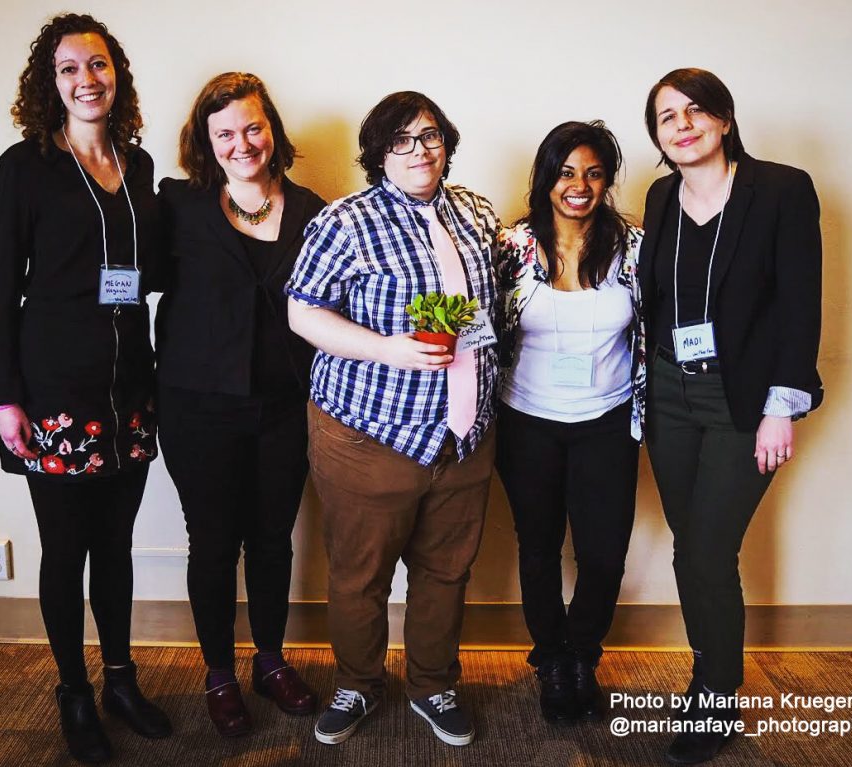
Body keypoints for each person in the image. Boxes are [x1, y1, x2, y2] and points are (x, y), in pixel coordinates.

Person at [0, 13, 171, 764]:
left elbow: (149, 275)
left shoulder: (141, 164)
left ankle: (121, 678)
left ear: (115, 73)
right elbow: (5, 290)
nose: (85, 79)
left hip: (130, 390)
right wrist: (6, 396)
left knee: (117, 547)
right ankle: (74, 691)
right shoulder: (24, 165)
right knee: (66, 551)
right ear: (50, 84)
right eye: (68, 69)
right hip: (53, 391)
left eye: (96, 64)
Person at [286, 91, 498, 748]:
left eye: (430, 135)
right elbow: (303, 311)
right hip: (370, 434)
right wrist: (388, 347)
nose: (419, 150)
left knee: (446, 571)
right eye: (401, 140)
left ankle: (433, 683)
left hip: (465, 433)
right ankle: (358, 681)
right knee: (360, 572)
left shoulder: (476, 212)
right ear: (379, 152)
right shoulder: (344, 222)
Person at [639, 68, 823, 764]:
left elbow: (801, 304)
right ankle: (708, 672)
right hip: (668, 396)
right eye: (665, 117)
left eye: (694, 110)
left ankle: (715, 692)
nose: (681, 124)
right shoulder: (660, 197)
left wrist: (784, 405)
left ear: (722, 117)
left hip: (743, 400)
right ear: (657, 136)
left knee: (707, 550)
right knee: (695, 549)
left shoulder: (780, 189)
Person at [155, 72, 324, 737]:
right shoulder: (179, 205)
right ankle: (220, 671)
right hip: (196, 404)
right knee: (213, 541)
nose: (241, 143)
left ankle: (272, 660)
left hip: (285, 403)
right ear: (206, 141)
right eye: (224, 132)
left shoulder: (314, 210)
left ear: (272, 129)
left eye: (253, 127)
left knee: (273, 539)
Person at [494, 121, 645, 725]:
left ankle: (583, 654)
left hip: (606, 421)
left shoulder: (634, 246)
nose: (578, 186)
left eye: (593, 172)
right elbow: (480, 327)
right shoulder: (510, 247)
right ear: (545, 177)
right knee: (537, 548)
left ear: (607, 180)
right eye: (564, 172)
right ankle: (552, 660)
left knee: (604, 553)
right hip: (526, 419)